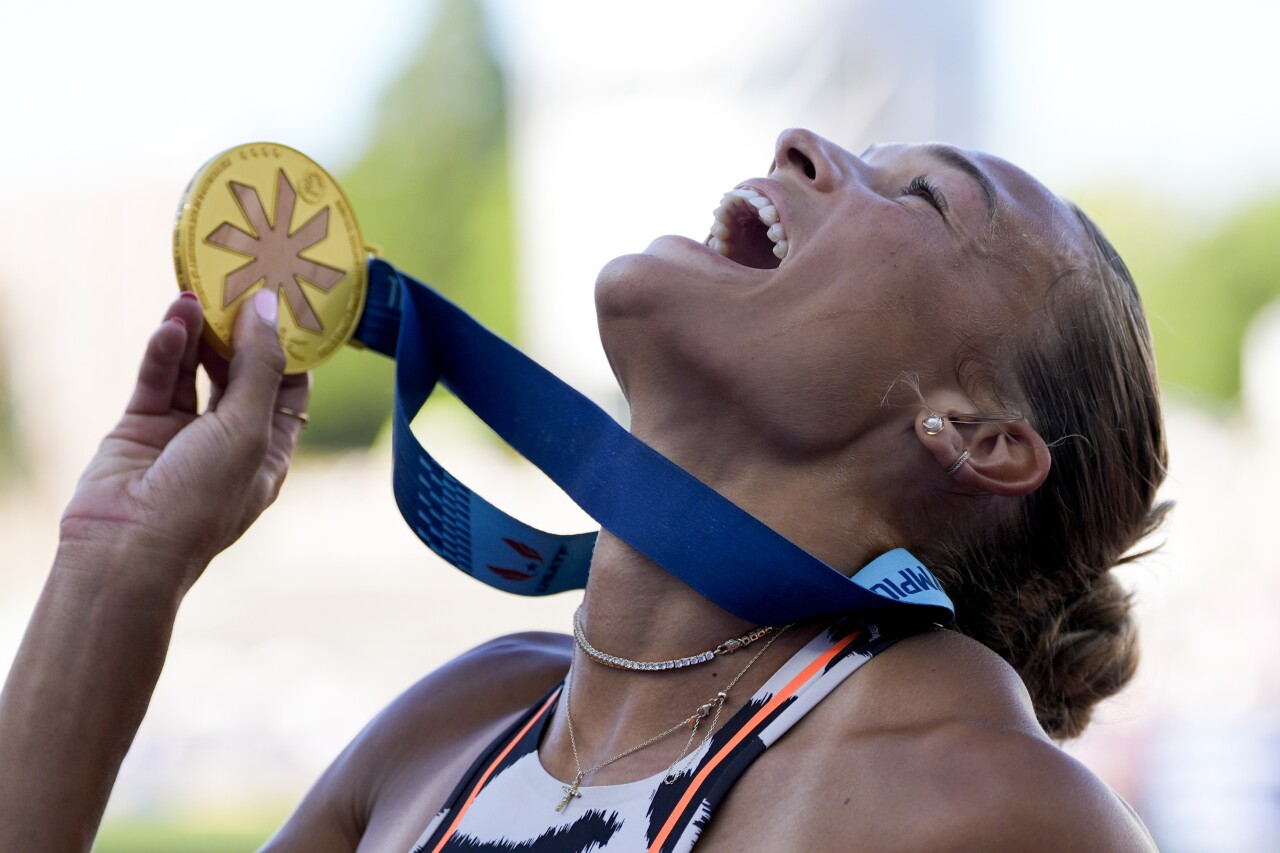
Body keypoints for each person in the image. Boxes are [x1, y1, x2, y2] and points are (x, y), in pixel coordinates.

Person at [0, 129, 1165, 851]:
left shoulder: (983, 808)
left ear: (972, 435)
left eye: (922, 200)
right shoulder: (447, 733)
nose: (804, 144)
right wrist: (118, 565)